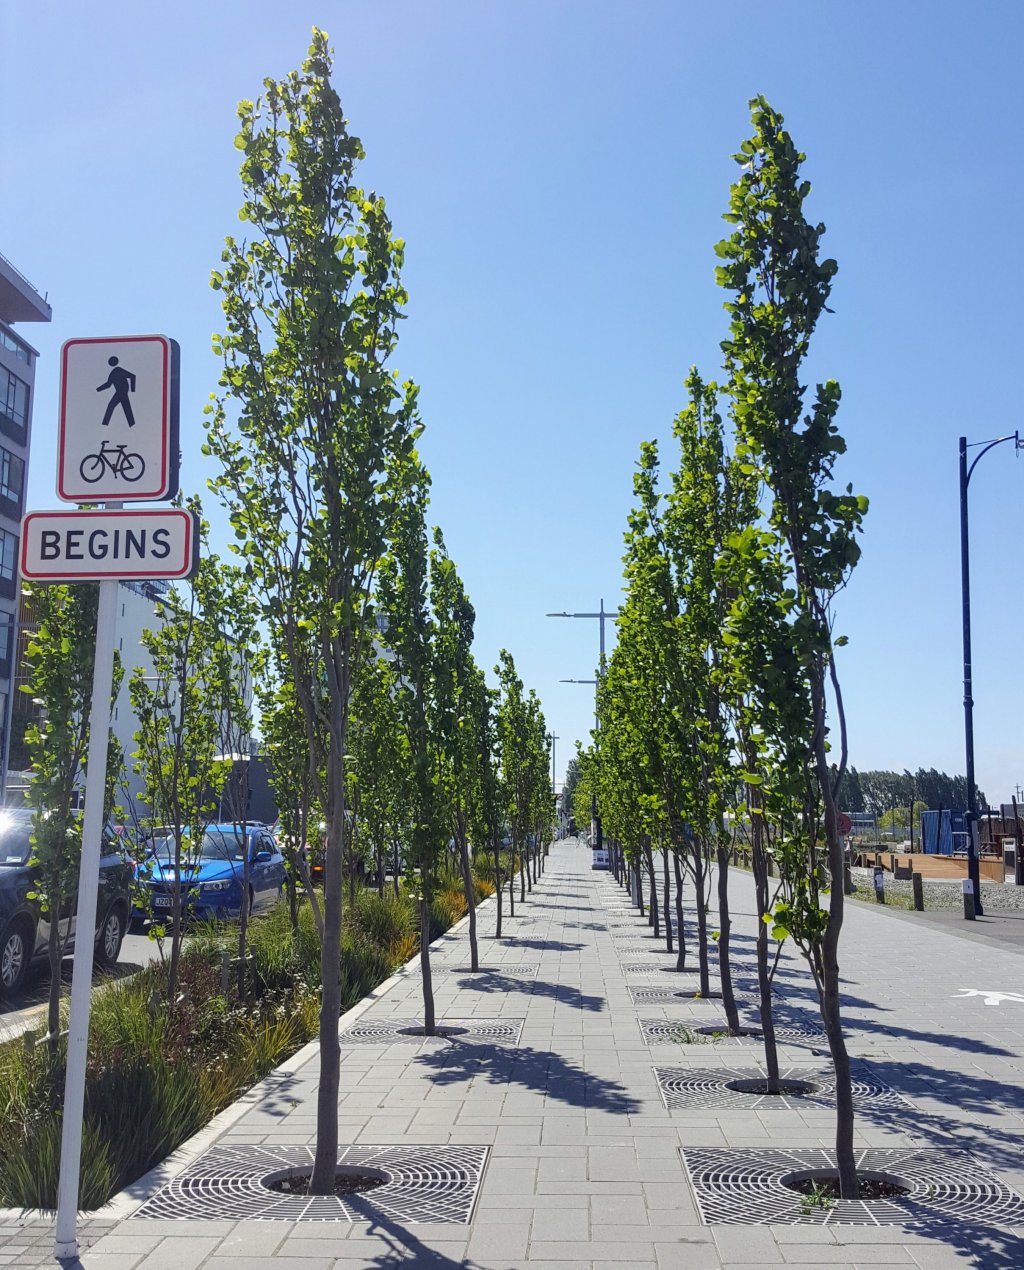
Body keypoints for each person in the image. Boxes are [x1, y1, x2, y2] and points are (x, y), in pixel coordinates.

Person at [96, 355, 137, 428]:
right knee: (125, 407)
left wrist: (132, 390)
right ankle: (132, 424)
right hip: (120, 391)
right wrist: (98, 389)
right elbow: (108, 384)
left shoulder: (118, 370)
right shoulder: (112, 373)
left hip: (122, 391)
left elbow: (132, 376)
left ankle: (104, 424)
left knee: (112, 405)